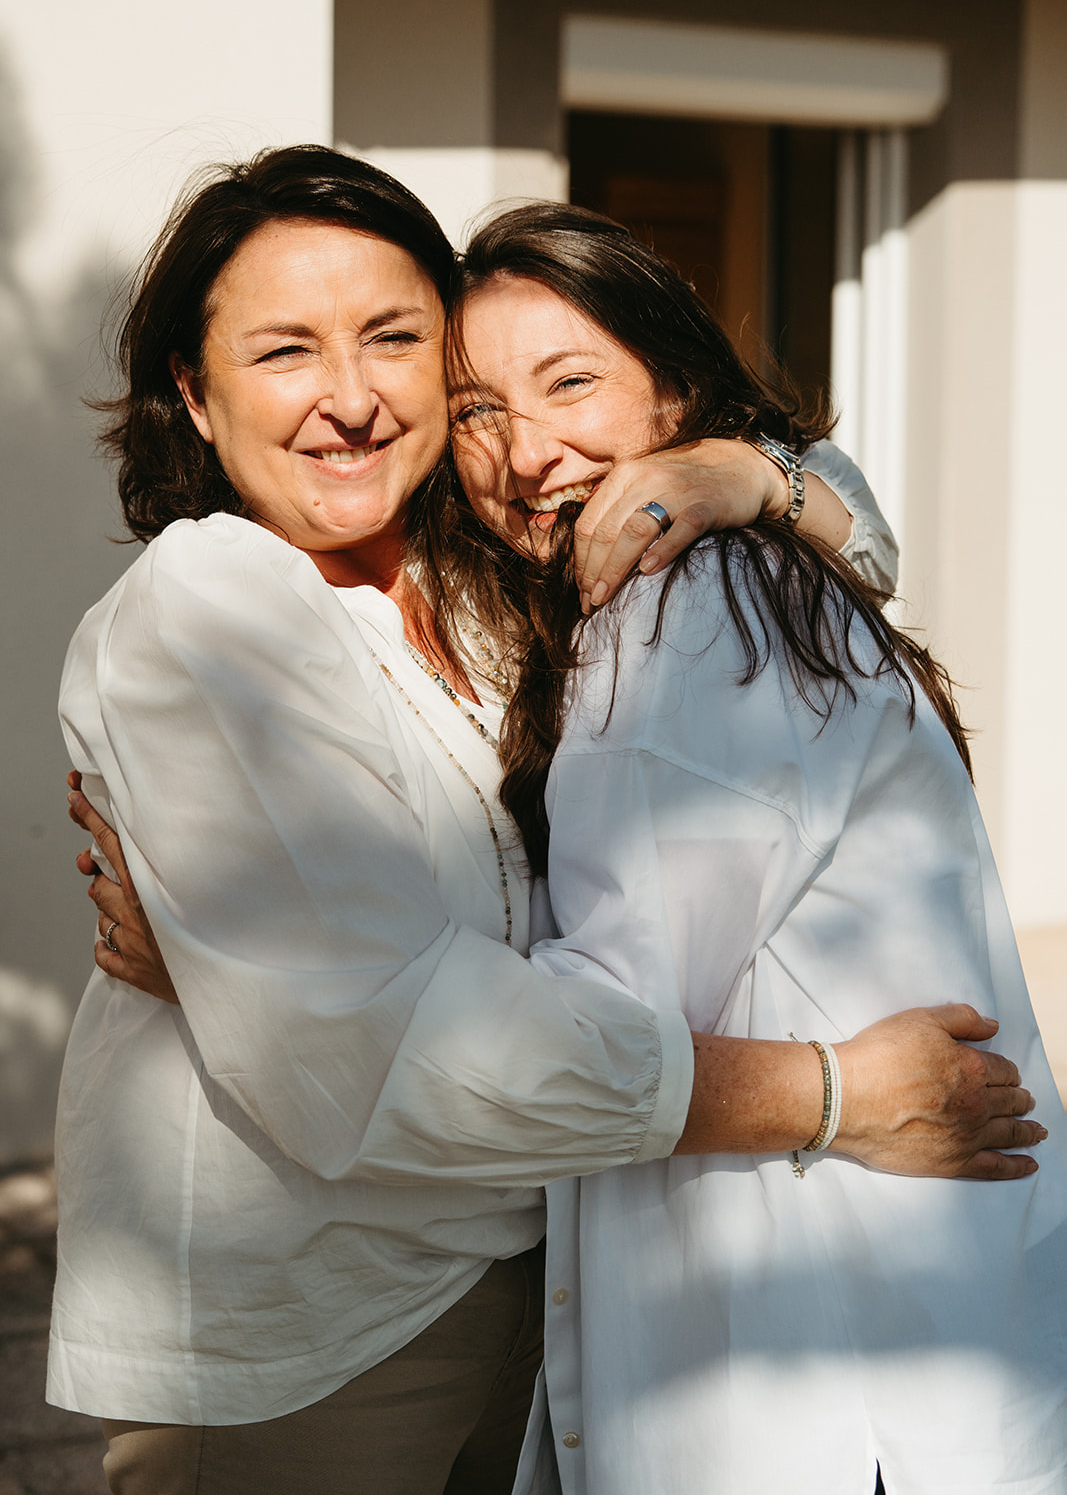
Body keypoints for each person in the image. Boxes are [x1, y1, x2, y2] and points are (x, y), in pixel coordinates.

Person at [56, 147, 1041, 1495]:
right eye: (285, 351)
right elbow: (382, 1045)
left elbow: (845, 528)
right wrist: (833, 1094)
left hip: (523, 1293)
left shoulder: (491, 578)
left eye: (395, 339)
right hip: (319, 1330)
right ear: (192, 389)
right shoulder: (214, 608)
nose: (351, 396)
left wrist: (743, 474)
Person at [443, 200, 1067, 1494]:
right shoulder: (732, 571)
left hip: (815, 1390)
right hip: (902, 1348)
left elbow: (600, 1027)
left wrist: (283, 961)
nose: (525, 449)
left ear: (674, 389)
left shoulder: (687, 607)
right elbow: (862, 525)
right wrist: (765, 472)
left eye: (569, 382)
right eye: (475, 410)